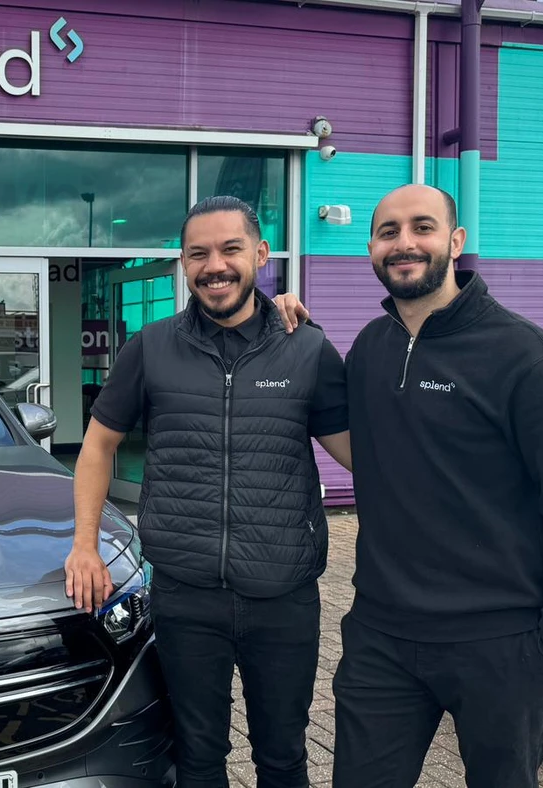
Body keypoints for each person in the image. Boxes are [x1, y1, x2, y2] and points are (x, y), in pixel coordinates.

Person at [273, 184, 543, 787]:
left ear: (455, 242)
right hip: (382, 635)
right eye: (389, 232)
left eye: (423, 227)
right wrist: (301, 337)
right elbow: (373, 454)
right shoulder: (372, 348)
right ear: (371, 249)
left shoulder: (527, 357)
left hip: (499, 641)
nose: (405, 243)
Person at [65, 196, 352, 788]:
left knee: (283, 756)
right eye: (198, 253)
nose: (214, 265)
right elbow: (96, 448)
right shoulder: (151, 347)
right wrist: (85, 545)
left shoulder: (306, 349)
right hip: (186, 594)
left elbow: (366, 456)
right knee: (197, 756)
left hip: (283, 593)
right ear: (184, 263)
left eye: (230, 249)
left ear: (261, 254)